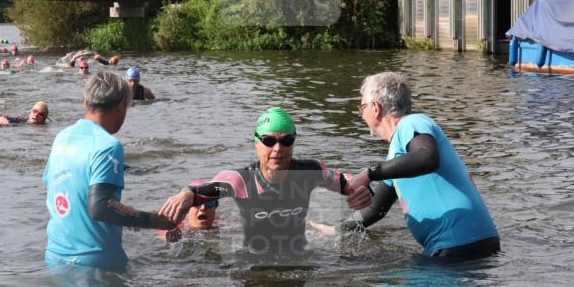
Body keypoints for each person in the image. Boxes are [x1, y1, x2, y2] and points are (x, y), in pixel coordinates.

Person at [159, 107, 368, 264]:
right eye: (269, 141)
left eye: (286, 141)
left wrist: (361, 190)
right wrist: (186, 194)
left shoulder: (309, 172)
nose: (278, 148)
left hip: (300, 258)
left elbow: (349, 181)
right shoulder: (239, 180)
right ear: (256, 143)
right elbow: (199, 191)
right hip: (252, 264)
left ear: (294, 142)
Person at [346, 72, 500, 262]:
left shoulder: (413, 122)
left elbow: (427, 157)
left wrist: (370, 174)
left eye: (362, 107)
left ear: (375, 108)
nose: (361, 115)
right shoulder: (398, 157)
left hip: (455, 246)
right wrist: (334, 230)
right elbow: (375, 210)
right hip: (472, 244)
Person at [43, 72, 179, 273]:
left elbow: (61, 189)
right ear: (122, 104)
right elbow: (101, 206)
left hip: (56, 258)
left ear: (86, 102)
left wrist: (125, 218)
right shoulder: (108, 145)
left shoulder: (62, 137)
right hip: (96, 265)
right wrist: (153, 220)